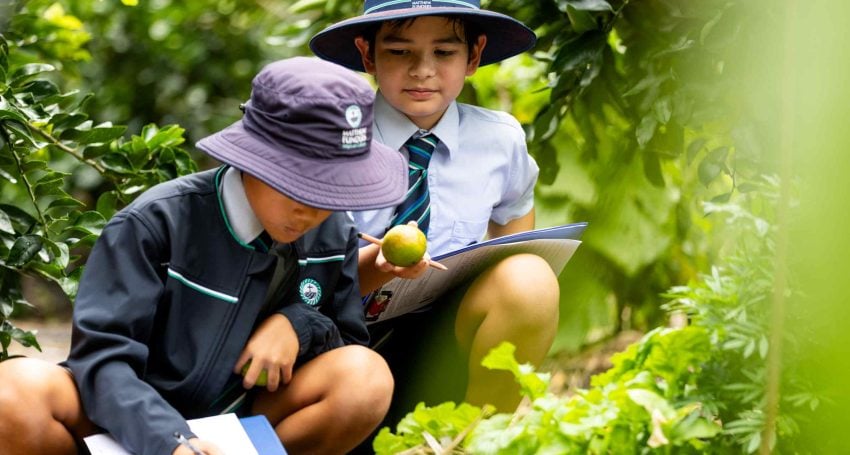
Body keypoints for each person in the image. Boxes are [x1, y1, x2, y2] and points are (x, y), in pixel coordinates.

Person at [0, 56, 409, 455]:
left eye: (331, 189)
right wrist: (172, 442)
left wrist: (297, 324)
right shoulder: (157, 222)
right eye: (297, 184)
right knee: (12, 392)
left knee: (364, 376)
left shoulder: (332, 230)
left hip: (244, 419)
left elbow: (346, 339)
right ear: (255, 160)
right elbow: (103, 358)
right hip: (128, 419)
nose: (312, 209)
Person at [310, 0, 560, 423]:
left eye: (444, 53)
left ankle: (474, 435)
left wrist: (501, 276)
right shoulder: (331, 143)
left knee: (530, 278)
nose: (423, 70)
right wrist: (379, 266)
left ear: (474, 56)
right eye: (400, 51)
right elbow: (304, 278)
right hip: (340, 342)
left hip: (443, 336)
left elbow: (515, 214)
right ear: (368, 55)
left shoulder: (498, 140)